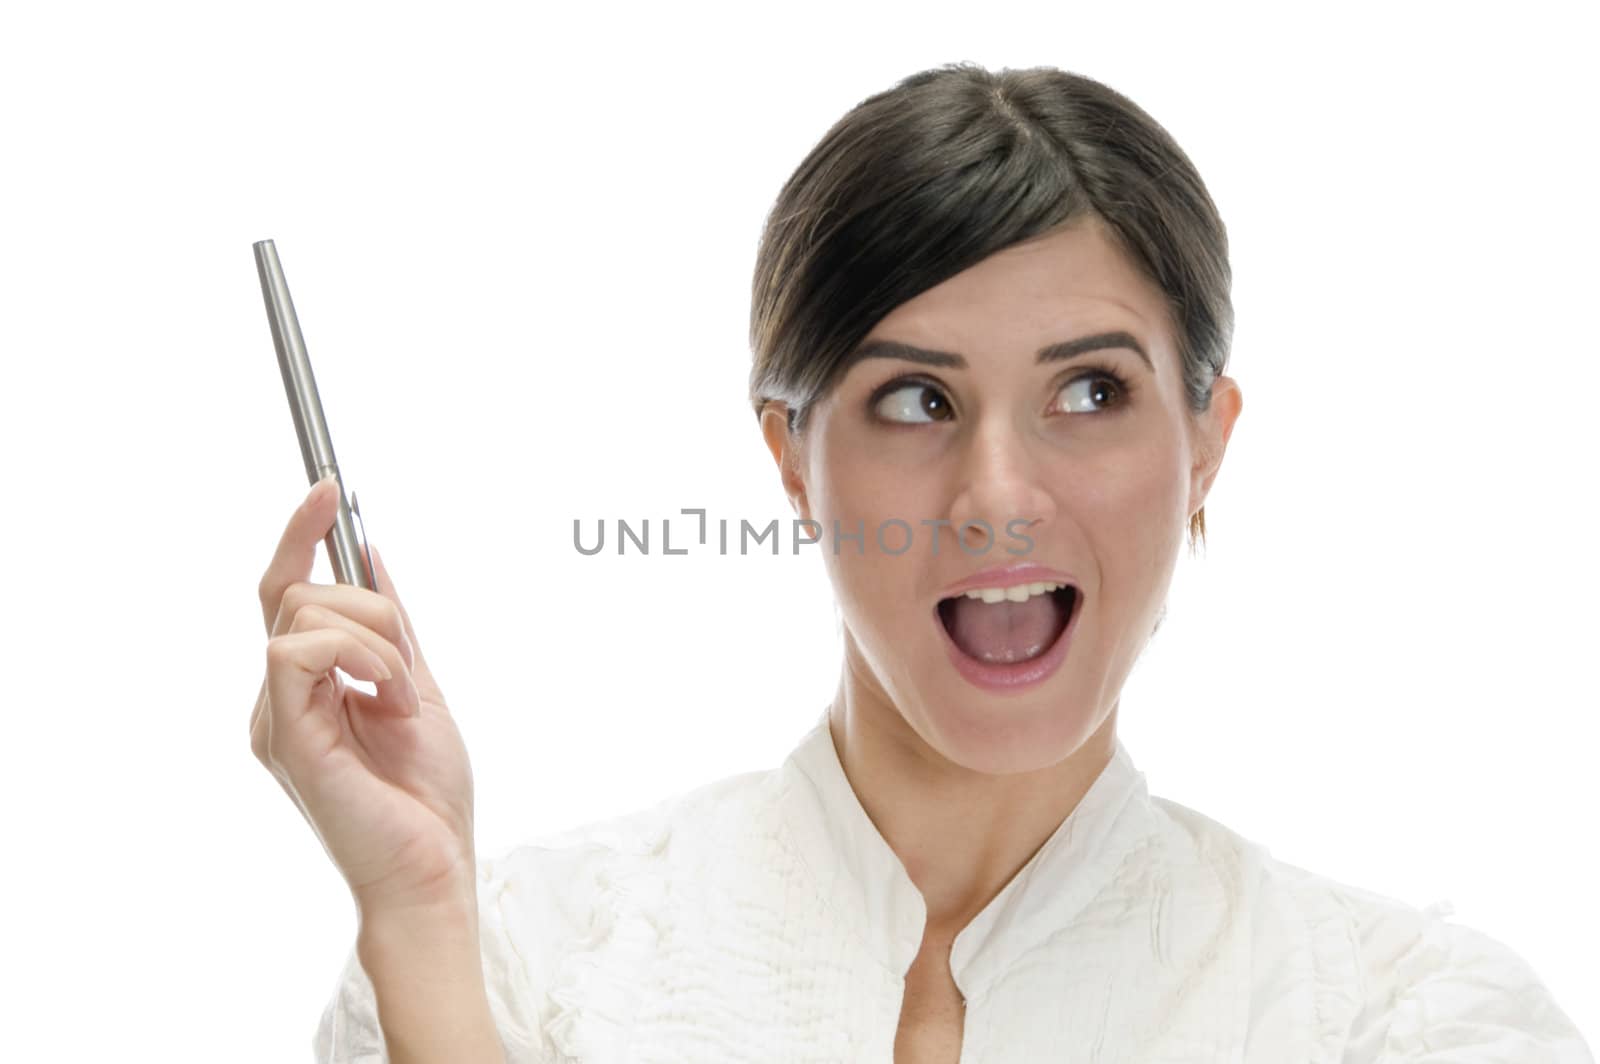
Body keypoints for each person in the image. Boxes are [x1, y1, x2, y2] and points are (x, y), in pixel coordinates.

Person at [252, 62, 1593, 1063]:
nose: (998, 498)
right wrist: (422, 920)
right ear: (790, 454)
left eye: (1088, 394)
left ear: (1207, 442)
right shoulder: (514, 970)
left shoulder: (1401, 1020)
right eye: (914, 401)